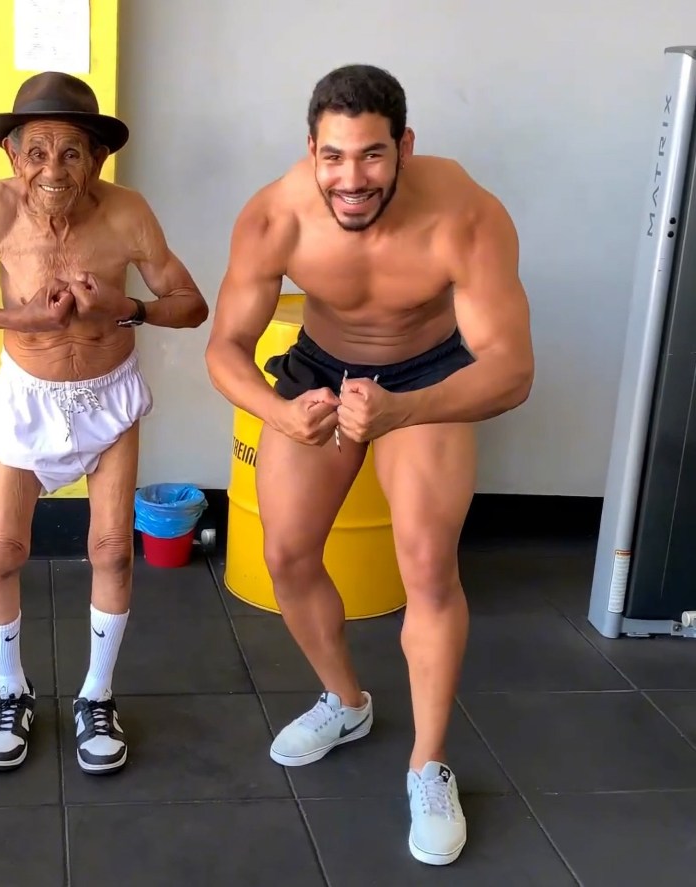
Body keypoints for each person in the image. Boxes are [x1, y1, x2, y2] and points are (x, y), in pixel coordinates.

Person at [205, 64, 534, 865]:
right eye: (334, 157)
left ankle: (427, 764)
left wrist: (404, 409)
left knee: (425, 564)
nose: (351, 179)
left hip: (426, 376)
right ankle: (345, 701)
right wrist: (278, 410)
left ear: (404, 146)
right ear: (310, 150)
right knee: (284, 553)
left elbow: (512, 368)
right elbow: (224, 348)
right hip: (318, 368)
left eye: (372, 157)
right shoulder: (274, 216)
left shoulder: (464, 213)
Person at [0, 72, 208, 776]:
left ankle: (96, 696)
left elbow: (191, 304)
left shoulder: (128, 211)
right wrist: (16, 316)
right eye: (37, 151)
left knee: (111, 548)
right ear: (14, 157)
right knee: (1, 551)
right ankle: (10, 691)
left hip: (109, 396)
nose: (53, 169)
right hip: (28, 396)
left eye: (72, 152)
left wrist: (125, 306)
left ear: (97, 160)